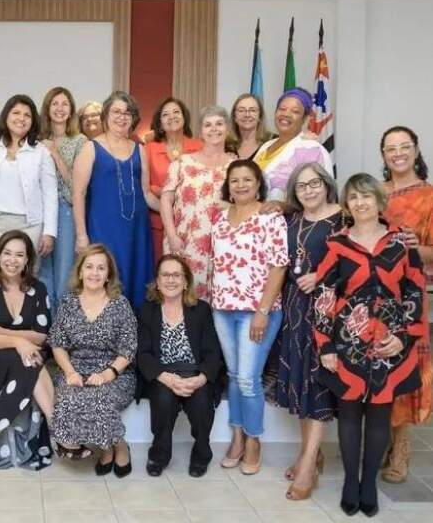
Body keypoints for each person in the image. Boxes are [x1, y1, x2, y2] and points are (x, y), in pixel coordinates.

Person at [313, 174, 425, 517]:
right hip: (348, 340)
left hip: (391, 342)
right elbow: (323, 295)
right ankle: (350, 481)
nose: (360, 203)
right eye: (354, 198)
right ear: (348, 204)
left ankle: (368, 485)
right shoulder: (337, 245)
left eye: (366, 197)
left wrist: (403, 337)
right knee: (349, 413)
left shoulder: (400, 244)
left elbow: (414, 290)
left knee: (380, 413)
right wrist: (327, 346)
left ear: (379, 200)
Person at [212, 159, 288, 475]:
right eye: (235, 180)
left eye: (247, 179)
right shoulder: (219, 218)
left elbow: (278, 266)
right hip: (222, 308)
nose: (241, 185)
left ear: (259, 183)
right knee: (233, 376)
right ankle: (237, 436)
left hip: (257, 311)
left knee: (248, 379)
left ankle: (254, 440)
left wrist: (262, 312)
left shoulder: (270, 217)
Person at [274, 162, 343, 499]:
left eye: (314, 183)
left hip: (328, 312)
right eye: (302, 187)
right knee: (300, 379)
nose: (309, 190)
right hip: (294, 309)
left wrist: (322, 275)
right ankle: (310, 453)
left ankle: (306, 470)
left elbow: (358, 263)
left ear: (326, 184)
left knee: (316, 383)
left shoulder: (344, 218)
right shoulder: (293, 220)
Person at [0, 230, 54, 469]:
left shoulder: (38, 289)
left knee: (28, 359)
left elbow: (41, 335)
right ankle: (57, 426)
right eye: (7, 253)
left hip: (25, 355)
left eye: (19, 255)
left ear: (27, 260)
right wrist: (20, 342)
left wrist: (1, 330)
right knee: (29, 360)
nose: (12, 260)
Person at [50, 244, 136, 477]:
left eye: (101, 268)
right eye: (89, 267)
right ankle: (107, 446)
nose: (94, 273)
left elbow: (128, 350)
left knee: (99, 396)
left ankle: (117, 447)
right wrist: (70, 372)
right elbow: (57, 343)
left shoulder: (120, 304)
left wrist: (107, 374)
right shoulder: (69, 303)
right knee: (69, 396)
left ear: (108, 274)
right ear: (80, 271)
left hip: (115, 373)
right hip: (76, 370)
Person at [379, 125, 433, 483]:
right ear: (383, 155)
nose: (397, 153)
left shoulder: (429, 197)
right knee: (378, 370)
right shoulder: (373, 193)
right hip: (373, 295)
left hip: (411, 295)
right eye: (390, 148)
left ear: (415, 151)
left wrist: (414, 248)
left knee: (405, 372)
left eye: (404, 146)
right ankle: (379, 441)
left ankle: (401, 448)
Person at [136, 255, 222, 478]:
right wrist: (167, 378)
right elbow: (143, 354)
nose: (171, 280)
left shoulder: (201, 310)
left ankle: (202, 453)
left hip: (194, 372)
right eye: (165, 274)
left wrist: (201, 378)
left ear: (186, 281)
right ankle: (159, 454)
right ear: (157, 280)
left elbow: (213, 352)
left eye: (176, 275)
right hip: (162, 374)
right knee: (164, 399)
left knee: (202, 400)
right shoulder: (147, 310)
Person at [73, 90, 156, 308]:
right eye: (116, 111)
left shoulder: (140, 149)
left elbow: (146, 193)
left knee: (137, 281)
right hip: (103, 228)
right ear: (106, 115)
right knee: (106, 281)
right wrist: (81, 235)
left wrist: (173, 208)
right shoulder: (91, 147)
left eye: (127, 112)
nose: (122, 116)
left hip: (137, 230)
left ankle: (135, 338)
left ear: (133, 118)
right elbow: (78, 193)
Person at [0, 94, 58, 276]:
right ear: (6, 115)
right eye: (16, 113)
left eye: (27, 115)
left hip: (30, 226)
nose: (21, 118)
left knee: (24, 281)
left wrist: (49, 232)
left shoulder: (40, 152)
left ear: (33, 121)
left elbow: (50, 193)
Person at [159, 105, 236, 300]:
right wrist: (171, 234)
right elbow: (166, 201)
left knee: (219, 301)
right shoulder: (182, 163)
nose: (214, 129)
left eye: (219, 124)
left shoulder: (236, 165)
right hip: (185, 243)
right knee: (185, 298)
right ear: (200, 131)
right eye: (208, 125)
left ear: (227, 128)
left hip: (224, 246)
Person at [37, 87, 86, 315]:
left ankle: (62, 331)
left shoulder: (80, 141)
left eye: (64, 104)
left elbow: (75, 185)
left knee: (65, 271)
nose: (59, 108)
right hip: (40, 211)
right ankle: (45, 328)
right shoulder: (36, 140)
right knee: (42, 271)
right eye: (54, 103)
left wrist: (55, 153)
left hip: (66, 210)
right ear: (47, 109)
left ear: (71, 110)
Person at [146, 97, 203, 263]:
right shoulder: (149, 149)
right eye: (166, 114)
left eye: (176, 112)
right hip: (159, 223)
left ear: (184, 117)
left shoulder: (200, 146)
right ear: (160, 123)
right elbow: (143, 187)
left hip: (193, 224)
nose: (172, 116)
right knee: (162, 272)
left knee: (191, 272)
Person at [253, 88, 332, 201]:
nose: (286, 114)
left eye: (295, 111)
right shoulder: (265, 146)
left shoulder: (312, 149)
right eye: (282, 109)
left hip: (290, 218)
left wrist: (285, 207)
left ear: (305, 118)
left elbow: (323, 197)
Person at [229, 93, 272, 161]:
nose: (247, 115)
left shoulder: (271, 143)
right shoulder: (226, 145)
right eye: (241, 110)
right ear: (234, 117)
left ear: (260, 116)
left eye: (252, 110)